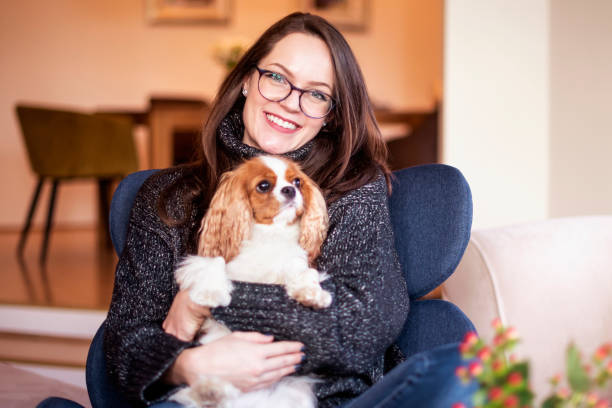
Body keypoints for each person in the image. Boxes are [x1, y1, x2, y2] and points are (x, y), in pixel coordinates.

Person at [39, 12, 476, 408]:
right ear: (247, 79)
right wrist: (190, 367)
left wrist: (200, 301)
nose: (290, 102)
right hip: (198, 400)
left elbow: (363, 326)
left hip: (321, 402)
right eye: (277, 78)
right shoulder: (168, 195)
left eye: (317, 95)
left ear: (331, 115)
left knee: (462, 368)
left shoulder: (352, 188)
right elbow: (125, 343)